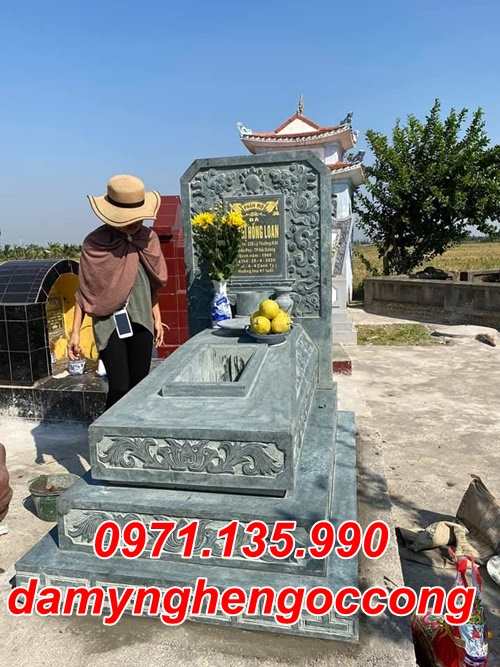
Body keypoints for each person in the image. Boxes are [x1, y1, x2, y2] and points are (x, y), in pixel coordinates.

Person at [69, 174, 168, 409]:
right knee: (120, 386)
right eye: (127, 218)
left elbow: (152, 284)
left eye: (138, 216)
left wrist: (157, 318)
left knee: (139, 383)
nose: (134, 223)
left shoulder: (148, 239)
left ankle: (134, 429)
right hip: (108, 323)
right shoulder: (95, 244)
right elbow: (84, 292)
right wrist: (75, 333)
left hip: (141, 319)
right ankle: (107, 431)